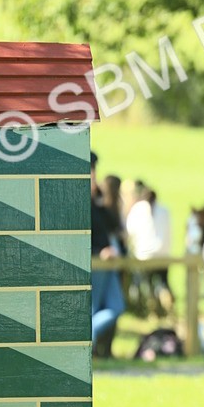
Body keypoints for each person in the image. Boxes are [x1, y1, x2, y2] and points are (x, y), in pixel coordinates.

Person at [90, 151, 126, 353]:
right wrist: (98, 251)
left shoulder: (96, 202)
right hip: (95, 262)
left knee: (116, 307)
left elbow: (111, 224)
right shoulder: (80, 203)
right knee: (93, 309)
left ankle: (87, 339)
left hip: (107, 264)